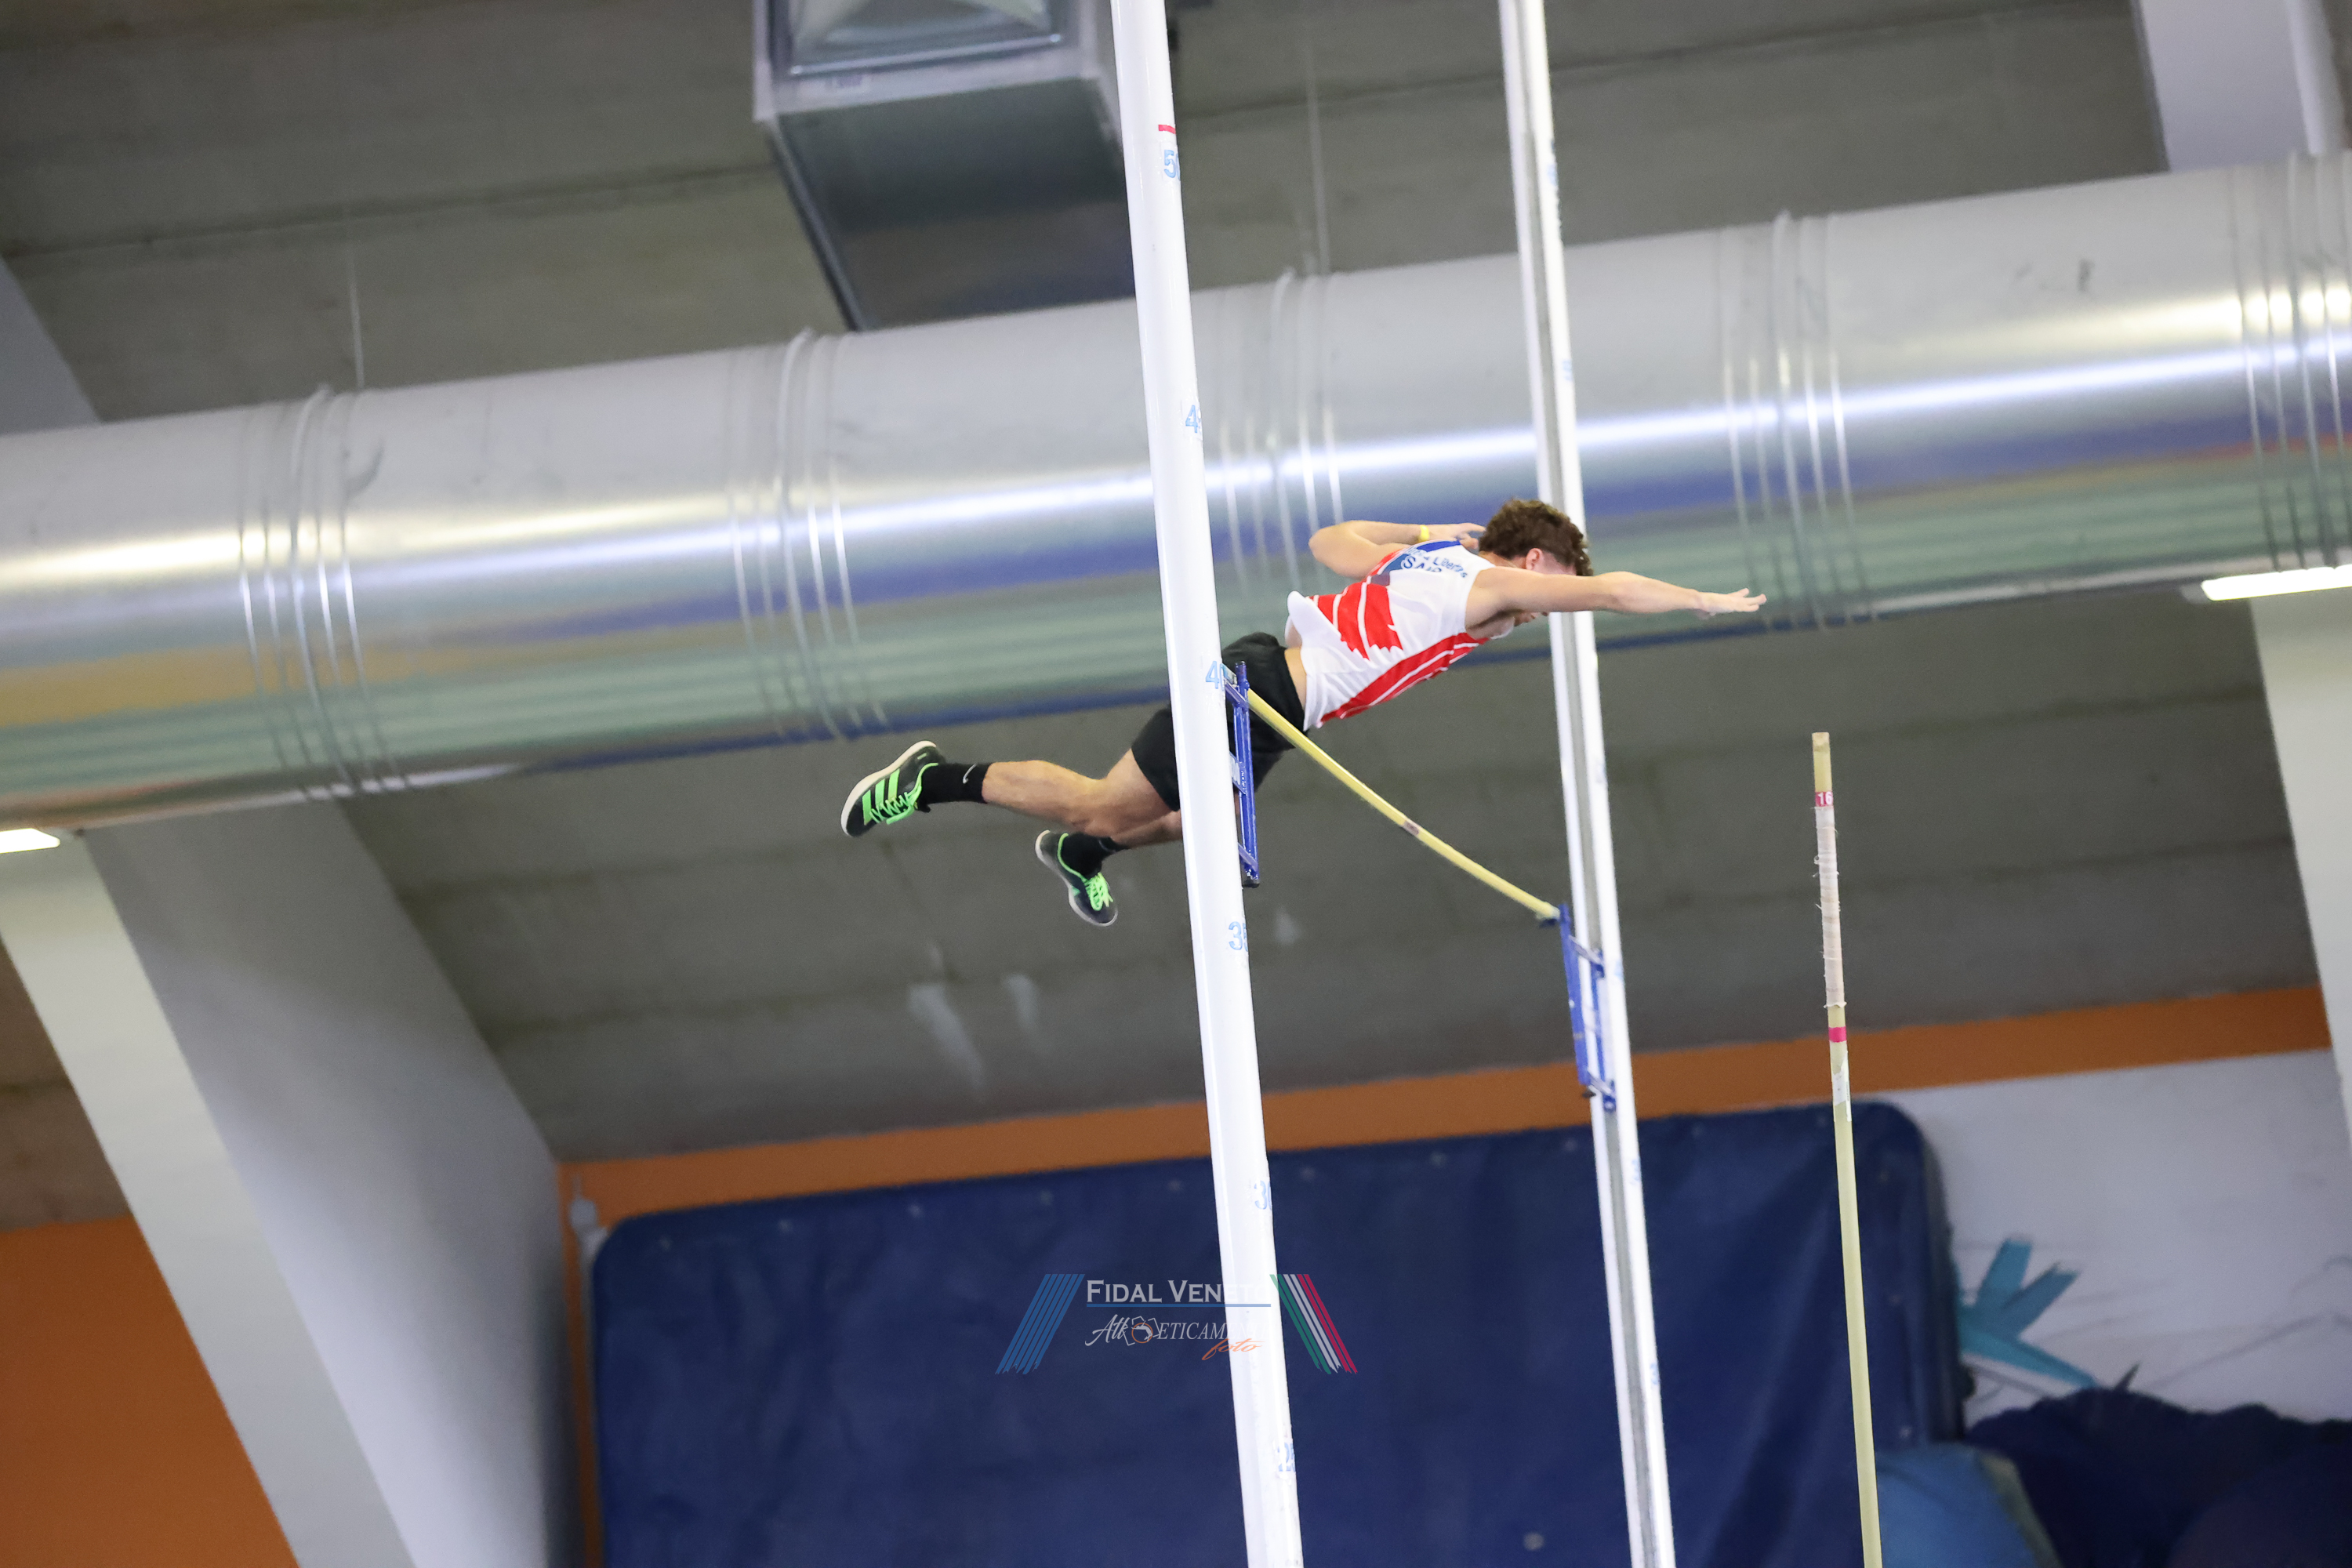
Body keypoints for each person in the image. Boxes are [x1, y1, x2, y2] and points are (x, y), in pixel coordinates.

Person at [838, 498, 1763, 925]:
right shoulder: (1488, 585)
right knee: (1102, 800)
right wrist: (1700, 600)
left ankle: (1087, 853)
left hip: (1281, 697)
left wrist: (1421, 532)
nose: (1548, 604)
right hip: (1268, 692)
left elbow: (1330, 540)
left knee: (1186, 822)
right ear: (1532, 561)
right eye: (1553, 581)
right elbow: (1612, 592)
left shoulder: (1435, 564)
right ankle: (933, 779)